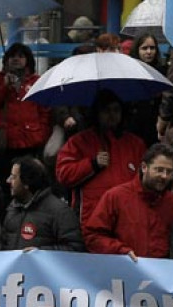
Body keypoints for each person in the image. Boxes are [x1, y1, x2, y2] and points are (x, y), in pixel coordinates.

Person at [56, 90, 147, 225]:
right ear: (97, 113)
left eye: (116, 110)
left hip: (127, 217)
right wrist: (92, 164)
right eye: (106, 110)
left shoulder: (136, 144)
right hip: (92, 218)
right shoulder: (79, 142)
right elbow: (63, 174)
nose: (112, 115)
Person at [82, 143, 173, 259]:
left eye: (169, 172)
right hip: (124, 271)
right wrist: (121, 251)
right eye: (159, 170)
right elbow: (93, 236)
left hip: (162, 273)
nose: (164, 176)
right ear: (144, 167)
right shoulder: (116, 197)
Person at [0, 43, 53, 188]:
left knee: (27, 181)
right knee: (3, 180)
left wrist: (41, 134)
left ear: (28, 60)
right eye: (12, 56)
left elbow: (44, 111)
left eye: (21, 56)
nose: (16, 59)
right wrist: (4, 87)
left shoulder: (36, 81)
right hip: (3, 142)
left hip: (28, 141)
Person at [1, 156, 84, 251]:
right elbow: (4, 247)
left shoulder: (60, 212)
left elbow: (75, 248)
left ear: (26, 182)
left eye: (14, 177)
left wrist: (42, 253)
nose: (8, 180)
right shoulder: (12, 209)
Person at [126, 33, 167, 146]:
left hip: (154, 125)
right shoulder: (129, 72)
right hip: (134, 125)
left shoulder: (162, 72)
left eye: (152, 48)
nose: (149, 52)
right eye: (144, 48)